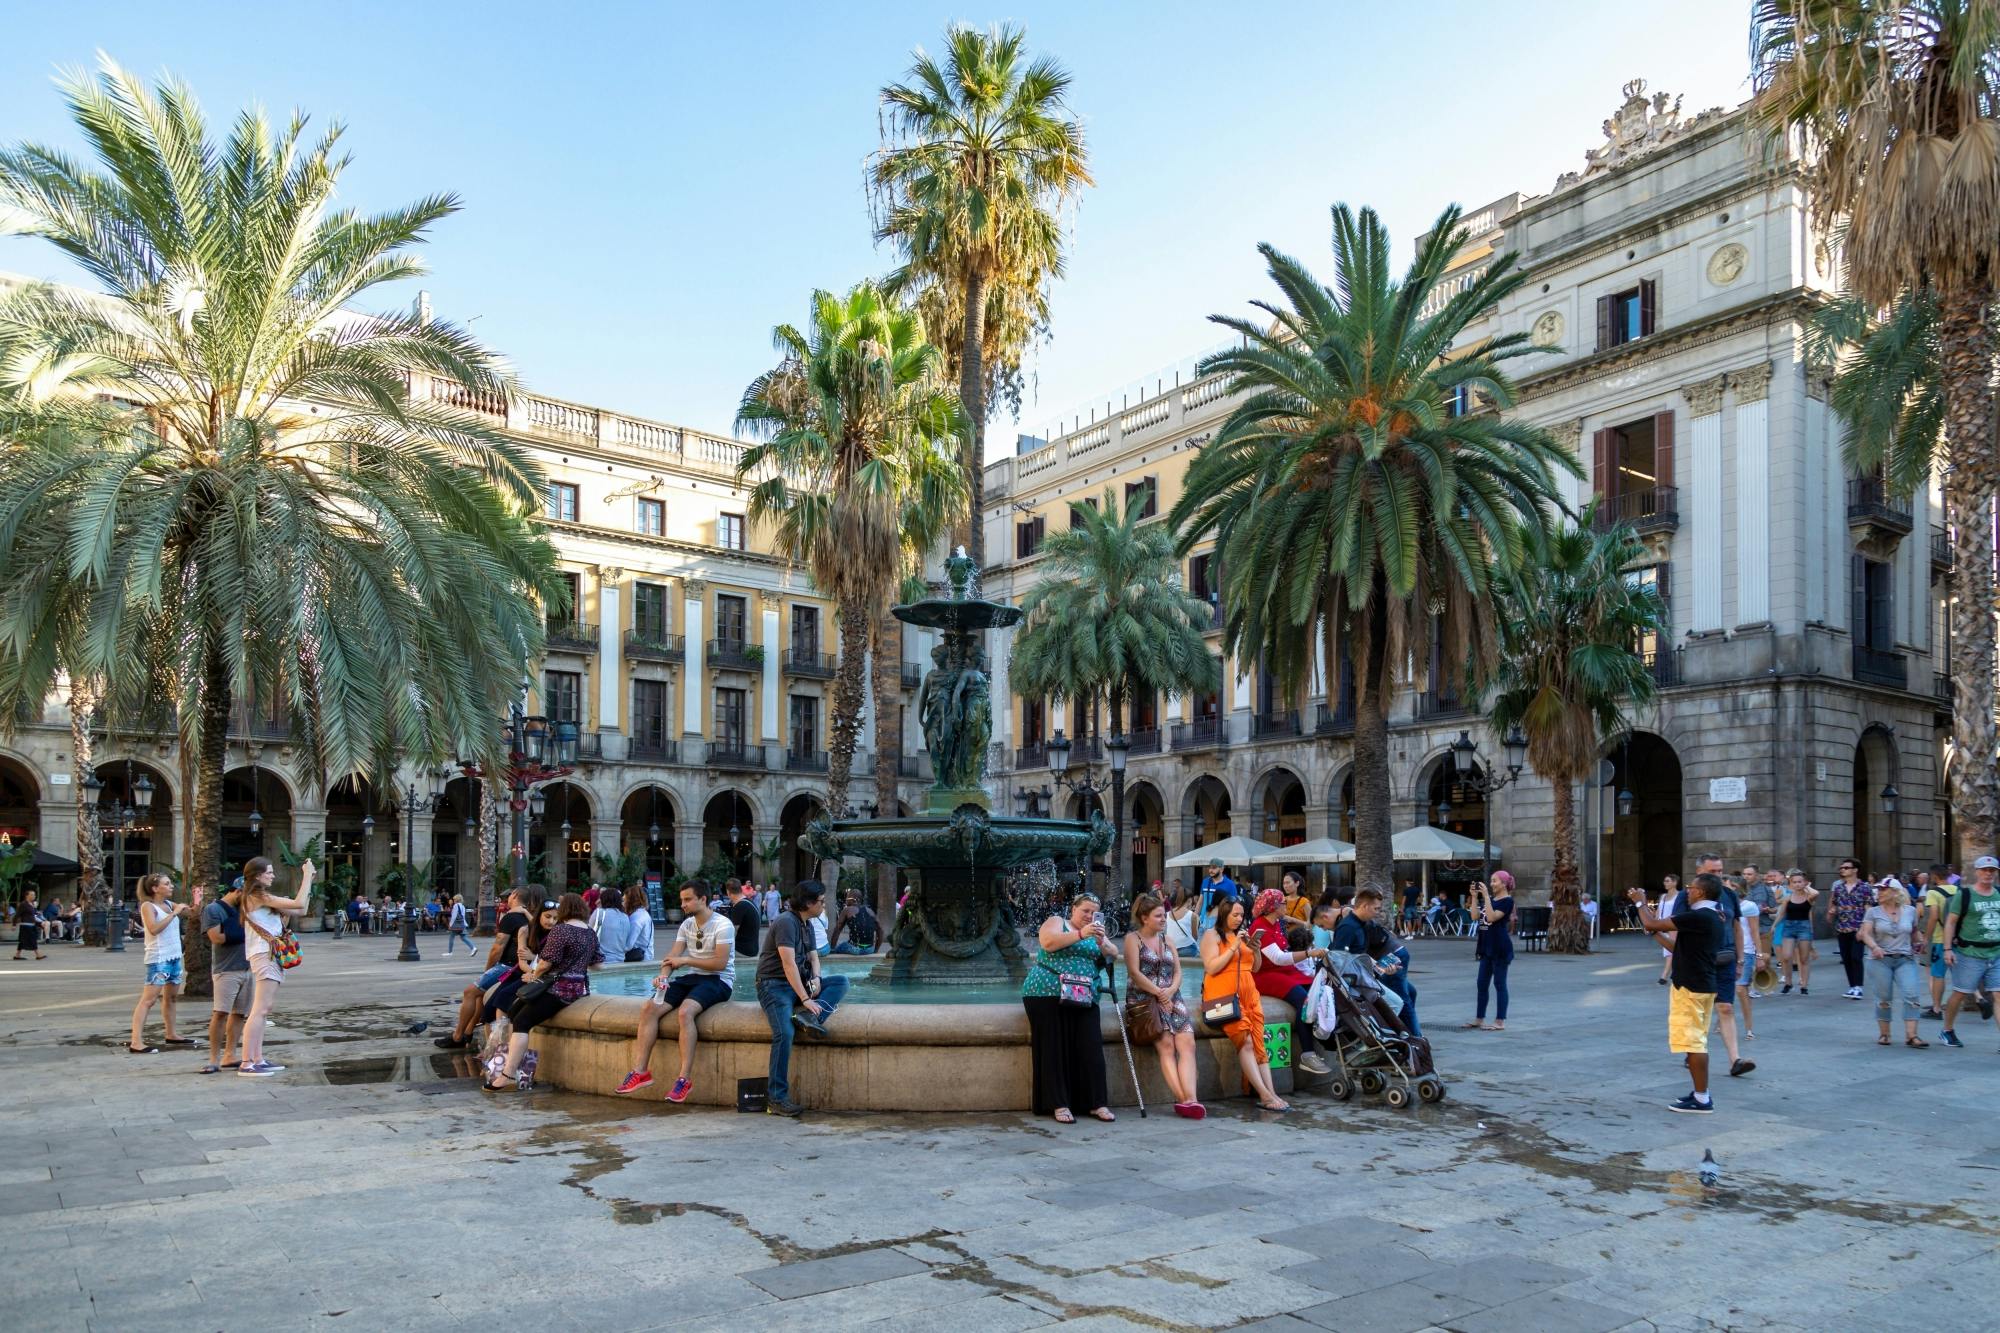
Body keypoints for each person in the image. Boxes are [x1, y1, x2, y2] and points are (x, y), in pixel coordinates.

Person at [616, 882, 737, 1102]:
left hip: (719, 980)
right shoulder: (687, 925)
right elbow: (672, 957)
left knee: (685, 1012)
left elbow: (720, 963)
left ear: (703, 899)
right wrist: (663, 976)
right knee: (649, 1008)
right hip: (693, 977)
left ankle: (684, 1079)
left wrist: (687, 960)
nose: (683, 904)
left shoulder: (723, 924)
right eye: (682, 900)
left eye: (688, 899)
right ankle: (641, 1071)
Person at [1019, 891, 1117, 1124]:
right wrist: (1081, 933)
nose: (1089, 916)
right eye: (1085, 911)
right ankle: (1058, 1103)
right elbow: (1048, 942)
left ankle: (1096, 1102)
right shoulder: (1057, 922)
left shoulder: (1097, 933)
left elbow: (1113, 953)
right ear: (1072, 910)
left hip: (1083, 994)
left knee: (1091, 1048)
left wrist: (1101, 940)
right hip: (1046, 992)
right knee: (1053, 1048)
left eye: (1094, 913)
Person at [486, 892, 601, 1092]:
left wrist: (534, 975)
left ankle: (507, 1074)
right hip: (577, 989)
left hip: (556, 989)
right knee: (513, 1012)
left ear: (564, 910)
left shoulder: (561, 931)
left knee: (522, 1021)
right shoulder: (590, 932)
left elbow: (546, 963)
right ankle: (517, 1062)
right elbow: (598, 964)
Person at [1630, 874, 1725, 1113]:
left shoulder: (1699, 916)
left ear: (1701, 893)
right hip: (1701, 983)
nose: (1688, 892)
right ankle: (1699, 1093)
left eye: (1691, 888)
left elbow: (1652, 922)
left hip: (1691, 987)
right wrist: (1655, 934)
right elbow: (1677, 948)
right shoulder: (1712, 916)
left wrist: (1640, 902)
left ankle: (1702, 1098)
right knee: (1696, 1042)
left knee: (1694, 1044)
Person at [756, 881, 851, 1116]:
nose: (823, 905)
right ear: (808, 903)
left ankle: (808, 1017)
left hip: (801, 982)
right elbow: (788, 965)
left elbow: (814, 958)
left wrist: (817, 979)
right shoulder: (786, 922)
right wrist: (805, 998)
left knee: (840, 981)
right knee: (784, 1033)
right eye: (821, 901)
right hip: (774, 985)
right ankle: (776, 1098)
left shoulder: (807, 923)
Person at [1201, 897, 1286, 1111]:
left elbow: (1255, 968)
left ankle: (1271, 1092)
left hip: (1249, 993)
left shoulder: (1243, 935)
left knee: (1259, 1043)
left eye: (1241, 915)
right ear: (1223, 914)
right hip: (1223, 994)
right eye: (1235, 915)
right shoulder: (1212, 936)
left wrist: (1255, 949)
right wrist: (1234, 947)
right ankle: (1265, 1095)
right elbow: (1211, 968)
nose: (1239, 919)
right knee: (1246, 1041)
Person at [1122, 891, 1200, 1118]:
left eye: (1163, 916)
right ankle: (1183, 1100)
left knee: (1188, 1043)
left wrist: (1172, 991)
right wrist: (1159, 993)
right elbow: (1135, 973)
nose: (1164, 919)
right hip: (1145, 999)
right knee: (1166, 1045)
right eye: (1158, 916)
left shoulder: (1168, 940)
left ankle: (1192, 1098)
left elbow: (1177, 971)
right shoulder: (1132, 939)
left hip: (1172, 997)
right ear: (1144, 918)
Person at [238, 856, 313, 1078]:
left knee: (264, 1009)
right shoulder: (256, 896)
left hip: (268, 954)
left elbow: (300, 910)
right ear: (257, 875)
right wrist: (307, 875)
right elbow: (299, 904)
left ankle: (257, 1058)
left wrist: (308, 882)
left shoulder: (260, 897)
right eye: (269, 872)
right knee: (260, 1009)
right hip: (264, 954)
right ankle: (247, 1062)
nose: (272, 875)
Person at [1248, 888, 1332, 1075]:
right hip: (1265, 975)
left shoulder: (1277, 923)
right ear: (1274, 907)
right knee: (1304, 1002)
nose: (1286, 905)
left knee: (1319, 989)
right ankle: (1307, 1054)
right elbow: (1277, 958)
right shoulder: (1259, 927)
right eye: (1283, 903)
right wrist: (1309, 953)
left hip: (1284, 971)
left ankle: (1328, 1038)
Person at [436, 890, 534, 1050]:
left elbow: (498, 947)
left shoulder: (511, 917)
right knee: (480, 995)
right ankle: (467, 1032)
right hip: (519, 966)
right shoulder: (529, 917)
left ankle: (457, 1036)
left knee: (470, 992)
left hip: (507, 966)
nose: (507, 899)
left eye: (509, 896)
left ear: (515, 895)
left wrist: (488, 969)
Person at [128, 874, 193, 1053]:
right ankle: (136, 1041)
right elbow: (153, 929)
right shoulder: (148, 906)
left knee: (171, 998)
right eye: (167, 884)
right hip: (158, 959)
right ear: (155, 889)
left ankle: (171, 1033)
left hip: (174, 957)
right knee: (148, 1000)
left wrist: (196, 901)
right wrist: (174, 913)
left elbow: (194, 914)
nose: (171, 886)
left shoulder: (170, 904)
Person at [1940, 855, 2000, 1049]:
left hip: (1996, 953)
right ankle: (1947, 1030)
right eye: (1984, 870)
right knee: (1959, 994)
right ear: (1977, 872)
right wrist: (1948, 949)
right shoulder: (1964, 895)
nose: (1988, 873)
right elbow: (1950, 922)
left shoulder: (1999, 894)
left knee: (1998, 995)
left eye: (1992, 870)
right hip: (1970, 954)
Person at [1858, 881, 1926, 1048]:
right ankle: (1885, 1034)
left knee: (1912, 995)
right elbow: (1865, 934)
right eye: (1878, 890)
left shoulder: (1910, 911)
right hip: (1880, 960)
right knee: (1884, 998)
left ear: (1895, 892)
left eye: (1883, 890)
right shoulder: (1873, 912)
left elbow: (1914, 931)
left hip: (1905, 958)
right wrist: (1874, 947)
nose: (1879, 893)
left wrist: (1920, 942)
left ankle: (1912, 1035)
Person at [200, 877, 252, 1073]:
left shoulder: (246, 910)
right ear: (238, 891)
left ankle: (230, 1054)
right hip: (226, 969)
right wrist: (245, 931)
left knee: (239, 1013)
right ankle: (213, 1058)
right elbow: (216, 938)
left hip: (247, 967)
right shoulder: (214, 910)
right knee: (220, 1012)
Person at [1468, 873, 1514, 1030]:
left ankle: (1500, 1020)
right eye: (1491, 881)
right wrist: (1474, 897)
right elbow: (1475, 916)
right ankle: (1479, 1018)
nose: (1492, 883)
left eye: (1495, 881)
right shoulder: (1491, 900)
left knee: (1499, 984)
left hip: (1500, 948)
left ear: (1504, 884)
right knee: (1481, 983)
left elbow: (1493, 917)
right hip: (1486, 947)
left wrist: (1486, 896)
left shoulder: (1507, 901)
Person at [1829, 859, 1875, 999]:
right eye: (1841, 868)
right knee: (1847, 958)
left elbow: (1869, 908)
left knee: (1856, 957)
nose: (1842, 870)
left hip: (1858, 927)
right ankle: (1852, 986)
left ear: (1855, 870)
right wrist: (1832, 911)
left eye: (1846, 867)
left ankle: (1858, 987)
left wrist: (1865, 927)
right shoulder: (1839, 888)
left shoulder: (1864, 887)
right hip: (1842, 927)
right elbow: (1835, 904)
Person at [1775, 870, 1819, 994]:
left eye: (1800, 882)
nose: (1797, 884)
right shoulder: (1788, 897)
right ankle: (1788, 983)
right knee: (1786, 956)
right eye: (1794, 882)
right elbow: (1782, 913)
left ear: (1804, 882)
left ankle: (1804, 986)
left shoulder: (1809, 897)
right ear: (1791, 883)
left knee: (1804, 958)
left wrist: (1807, 887)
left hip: (1804, 927)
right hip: (1789, 926)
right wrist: (1774, 926)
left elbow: (1816, 893)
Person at [1921, 871, 1955, 1019]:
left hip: (1940, 938)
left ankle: (1936, 1009)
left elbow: (1934, 916)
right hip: (1958, 938)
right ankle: (1979, 998)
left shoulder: (1933, 893)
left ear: (1934, 877)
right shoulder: (1958, 890)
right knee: (1960, 973)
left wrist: (1926, 938)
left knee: (1938, 975)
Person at [1735, 887, 1761, 1037]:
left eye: (1729, 886)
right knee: (1725, 990)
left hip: (1746, 950)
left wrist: (1759, 956)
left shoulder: (1749, 906)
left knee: (1741, 989)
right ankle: (1722, 1021)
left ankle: (1748, 1027)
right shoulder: (1724, 904)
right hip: (1728, 950)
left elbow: (1754, 931)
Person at [592, 886, 636, 963]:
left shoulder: (599, 913)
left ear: (603, 900)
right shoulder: (625, 916)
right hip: (620, 959)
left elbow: (589, 934)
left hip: (602, 960)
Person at [828, 890, 880, 955]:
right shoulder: (871, 911)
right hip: (869, 949)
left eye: (847, 898)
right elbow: (881, 930)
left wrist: (832, 948)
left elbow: (837, 930)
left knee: (840, 946)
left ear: (854, 899)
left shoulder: (847, 910)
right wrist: (876, 949)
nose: (846, 900)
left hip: (854, 949)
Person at [1654, 874, 1681, 984]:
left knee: (1670, 952)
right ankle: (1676, 973)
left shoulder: (1679, 896)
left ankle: (1664, 977)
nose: (1665, 883)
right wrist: (1654, 924)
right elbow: (1659, 911)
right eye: (1665, 881)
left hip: (1673, 926)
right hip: (1662, 926)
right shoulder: (1663, 896)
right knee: (1670, 952)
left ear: (1675, 882)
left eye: (1668, 881)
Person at [725, 879, 762, 957]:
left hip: (744, 950)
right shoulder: (749, 902)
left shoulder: (740, 906)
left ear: (728, 892)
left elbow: (732, 932)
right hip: (752, 949)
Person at [1199, 859, 1238, 931]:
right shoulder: (1205, 881)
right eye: (1210, 867)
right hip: (1203, 922)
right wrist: (1195, 918)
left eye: (1214, 868)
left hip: (1220, 923)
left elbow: (1234, 905)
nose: (1210, 870)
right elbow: (1200, 902)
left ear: (1221, 869)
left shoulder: (1230, 884)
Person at [1165, 883, 1200, 958]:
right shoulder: (1193, 915)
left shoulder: (1167, 914)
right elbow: (1195, 937)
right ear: (1190, 900)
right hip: (1188, 949)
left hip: (1170, 950)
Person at [12, 887, 45, 960]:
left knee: (22, 941)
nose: (34, 896)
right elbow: (17, 915)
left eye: (34, 895)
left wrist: (40, 923)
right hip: (26, 925)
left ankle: (17, 955)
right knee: (32, 940)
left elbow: (33, 916)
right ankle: (38, 955)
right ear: (27, 895)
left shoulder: (32, 904)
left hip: (32, 925)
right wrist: (14, 925)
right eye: (32, 895)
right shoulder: (23, 904)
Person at [624, 886, 655, 962]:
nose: (623, 903)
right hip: (647, 955)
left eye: (624, 900)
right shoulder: (643, 913)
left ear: (630, 900)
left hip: (639, 958)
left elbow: (628, 945)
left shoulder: (636, 918)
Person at [442, 893, 473, 957]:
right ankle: (473, 948)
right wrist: (464, 924)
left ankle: (450, 952)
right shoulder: (463, 906)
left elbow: (454, 916)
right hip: (461, 924)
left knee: (451, 937)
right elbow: (463, 916)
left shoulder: (456, 906)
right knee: (463, 937)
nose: (453, 900)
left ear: (457, 899)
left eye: (454, 899)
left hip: (456, 925)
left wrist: (450, 924)